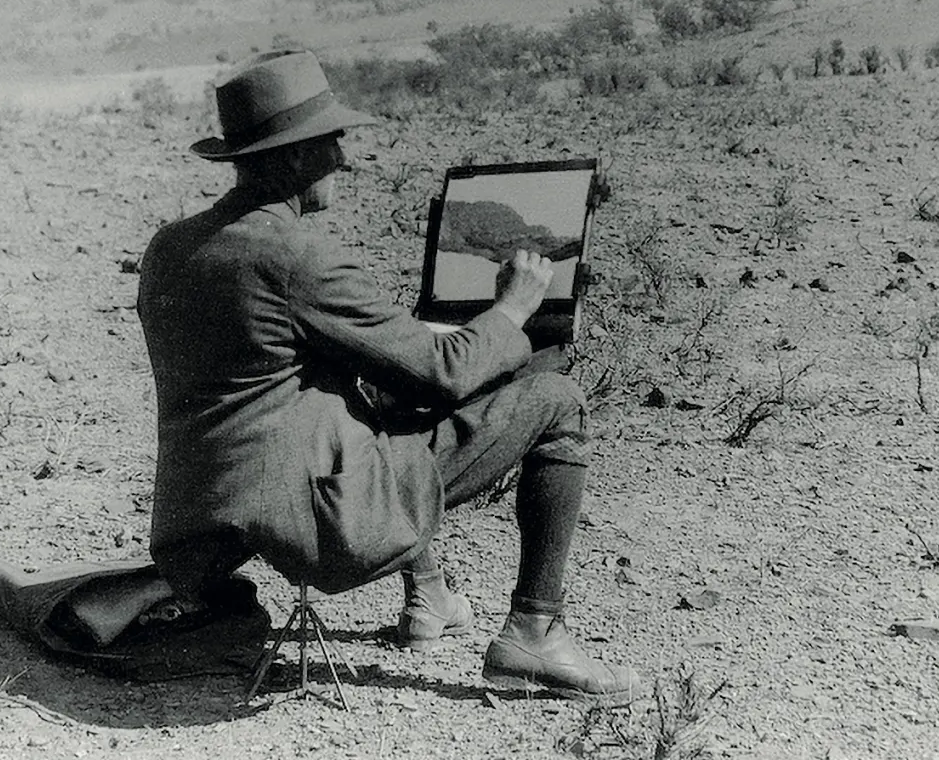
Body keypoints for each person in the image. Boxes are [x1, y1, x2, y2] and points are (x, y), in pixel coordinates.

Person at [136, 49, 641, 705]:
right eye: (332, 141)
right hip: (311, 523)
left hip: (198, 526)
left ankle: (427, 596)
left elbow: (281, 370)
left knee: (374, 393)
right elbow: (443, 373)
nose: (345, 159)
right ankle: (534, 633)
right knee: (557, 399)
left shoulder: (172, 245)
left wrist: (469, 344)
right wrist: (513, 308)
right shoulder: (297, 255)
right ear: (291, 157)